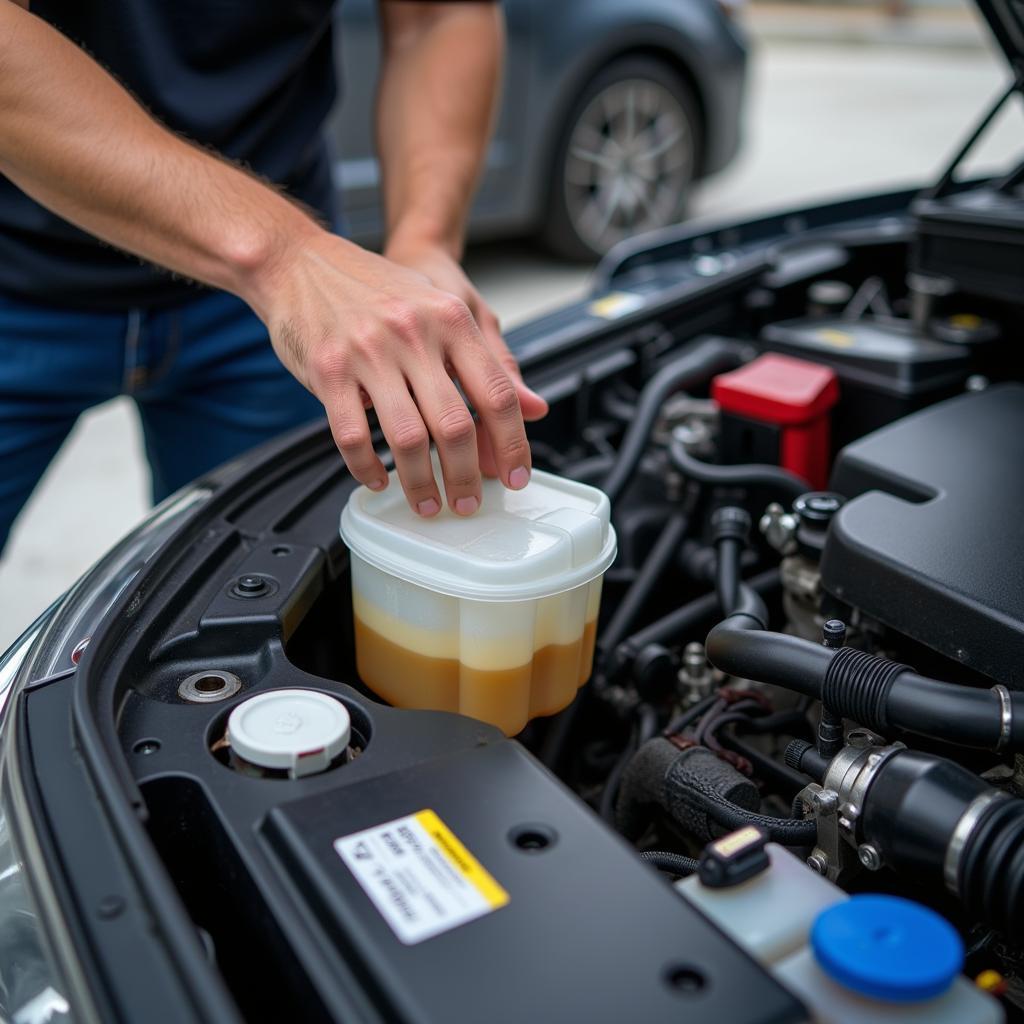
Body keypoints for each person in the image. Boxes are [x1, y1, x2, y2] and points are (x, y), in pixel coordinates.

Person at [0, 0, 549, 554]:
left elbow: (437, 15)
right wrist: (287, 258)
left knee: (245, 589)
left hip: (266, 313)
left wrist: (422, 244)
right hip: (18, 275)